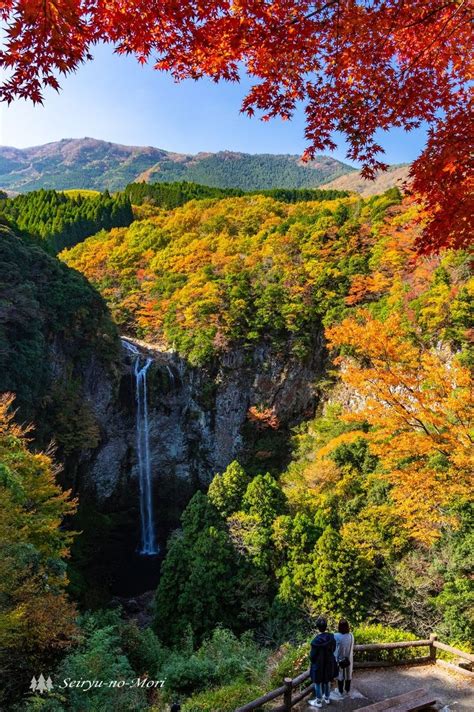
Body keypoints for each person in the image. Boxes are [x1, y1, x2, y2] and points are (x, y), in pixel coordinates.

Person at [309, 616, 337, 707]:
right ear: (326, 626)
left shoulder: (315, 641)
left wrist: (314, 661)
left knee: (317, 682)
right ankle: (327, 698)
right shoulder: (331, 637)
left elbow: (312, 656)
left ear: (317, 627)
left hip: (319, 664)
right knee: (327, 680)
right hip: (329, 663)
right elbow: (333, 649)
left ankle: (318, 701)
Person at [334, 619, 354, 697]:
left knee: (340, 675)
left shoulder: (336, 636)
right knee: (348, 674)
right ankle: (347, 690)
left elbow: (335, 649)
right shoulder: (351, 635)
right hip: (349, 658)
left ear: (339, 626)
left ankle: (340, 691)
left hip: (340, 659)